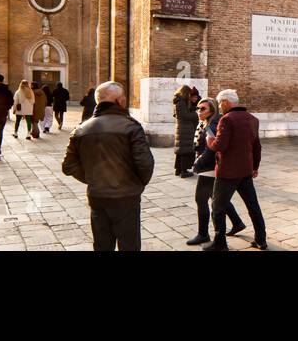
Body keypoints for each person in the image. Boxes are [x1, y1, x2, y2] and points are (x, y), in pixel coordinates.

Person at [61, 81, 154, 252]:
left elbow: (68, 165)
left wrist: (93, 178)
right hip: (126, 195)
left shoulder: (81, 129)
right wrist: (135, 182)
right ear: (119, 100)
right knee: (129, 244)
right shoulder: (131, 126)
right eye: (124, 96)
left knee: (102, 243)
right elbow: (145, 164)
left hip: (98, 194)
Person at [205, 88, 266, 251]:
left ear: (225, 102)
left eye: (219, 103)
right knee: (253, 206)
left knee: (217, 208)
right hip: (245, 171)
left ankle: (220, 243)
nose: (219, 106)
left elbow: (220, 146)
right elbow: (257, 147)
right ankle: (261, 240)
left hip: (227, 173)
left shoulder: (226, 120)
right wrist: (255, 167)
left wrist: (210, 140)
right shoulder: (253, 119)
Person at [185, 97, 245, 246]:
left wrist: (198, 163)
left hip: (209, 167)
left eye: (203, 108)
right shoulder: (205, 122)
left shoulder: (213, 124)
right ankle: (237, 222)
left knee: (201, 199)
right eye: (198, 108)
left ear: (212, 110)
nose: (199, 111)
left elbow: (212, 148)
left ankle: (203, 234)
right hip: (207, 166)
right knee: (216, 197)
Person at [172, 84, 198, 177]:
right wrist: (196, 115)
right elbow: (184, 116)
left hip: (183, 128)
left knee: (181, 150)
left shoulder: (179, 101)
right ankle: (184, 171)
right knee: (185, 150)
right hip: (185, 129)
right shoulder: (181, 102)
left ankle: (178, 170)